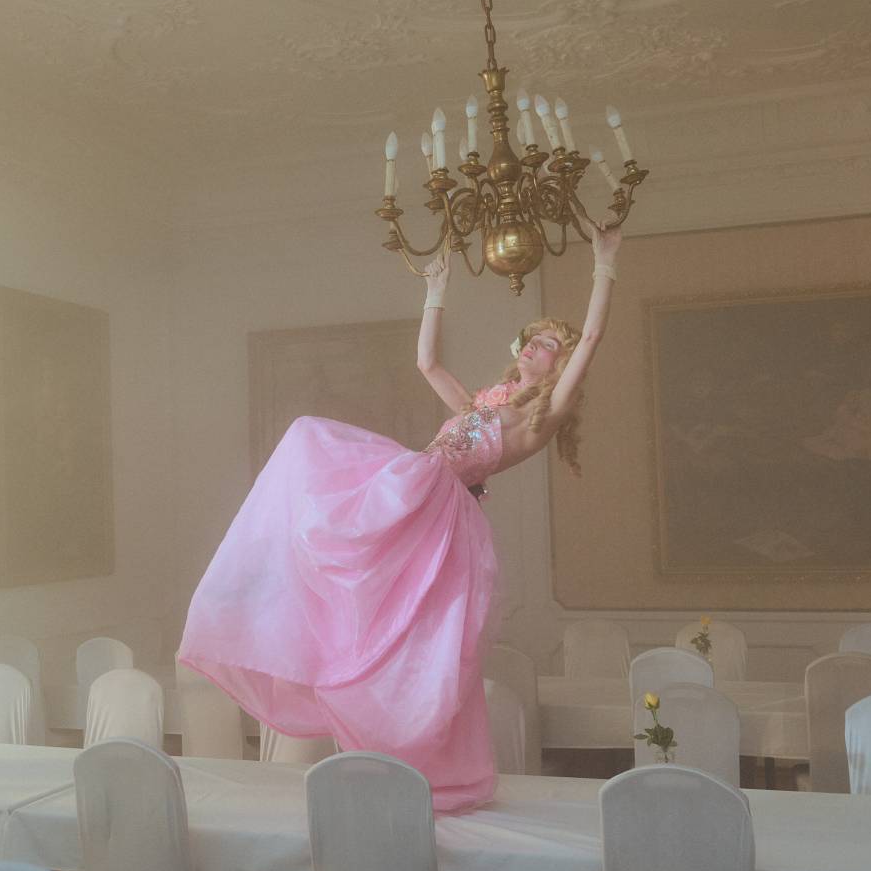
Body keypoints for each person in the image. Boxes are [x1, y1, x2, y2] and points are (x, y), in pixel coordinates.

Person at [178, 225, 624, 811]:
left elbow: (592, 335)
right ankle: (305, 614)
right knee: (309, 445)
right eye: (533, 339)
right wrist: (435, 292)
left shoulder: (544, 418)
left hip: (438, 502)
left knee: (407, 617)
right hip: (418, 481)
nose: (532, 347)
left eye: (546, 346)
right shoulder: (483, 403)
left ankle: (402, 737)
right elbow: (425, 362)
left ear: (561, 366)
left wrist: (604, 263)